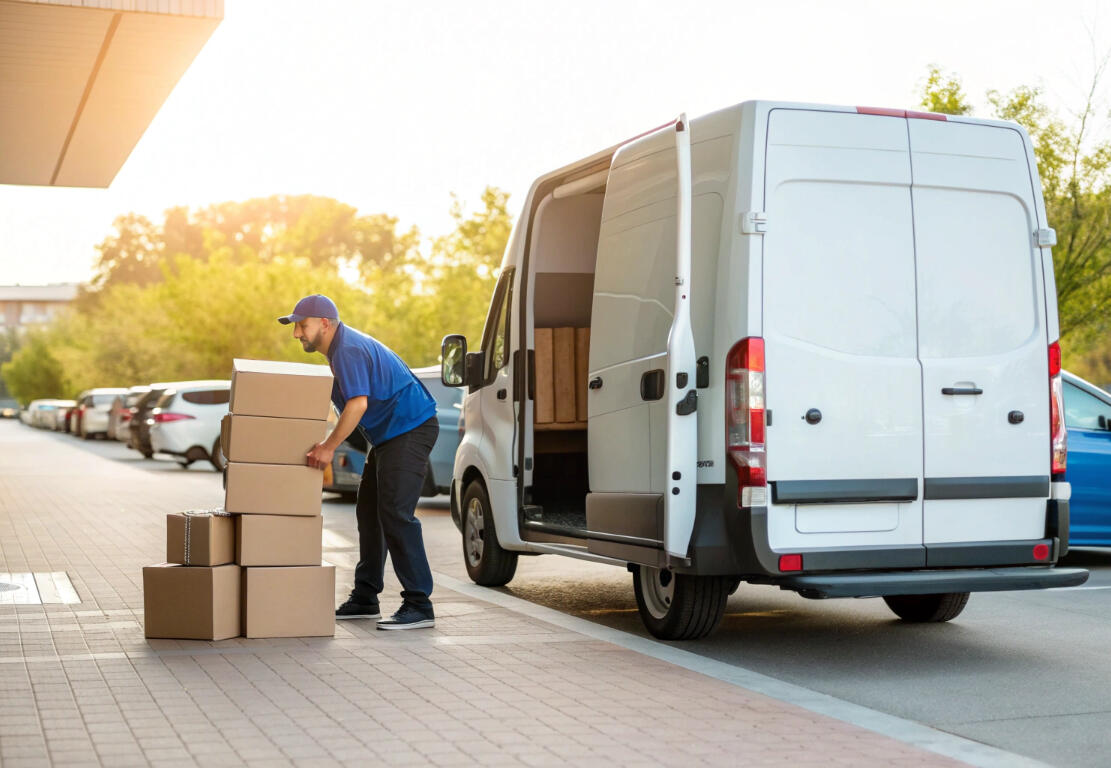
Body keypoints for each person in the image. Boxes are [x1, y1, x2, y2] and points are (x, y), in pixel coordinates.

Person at [278, 294, 439, 630]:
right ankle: (366, 598)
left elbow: (357, 406)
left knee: (395, 513)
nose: (297, 334)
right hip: (390, 435)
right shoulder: (340, 351)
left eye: (301, 326)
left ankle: (419, 605)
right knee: (370, 514)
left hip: (410, 428)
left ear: (324, 323)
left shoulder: (347, 350)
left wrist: (327, 448)